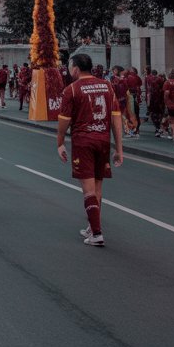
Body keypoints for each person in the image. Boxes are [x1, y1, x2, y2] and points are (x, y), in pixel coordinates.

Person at [56, 53, 123, 248]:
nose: (69, 70)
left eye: (70, 67)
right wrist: (119, 148)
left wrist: (60, 142)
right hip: (103, 141)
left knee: (88, 190)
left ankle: (97, 233)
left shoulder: (72, 89)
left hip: (83, 142)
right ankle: (92, 226)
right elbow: (116, 118)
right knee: (98, 188)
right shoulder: (107, 86)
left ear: (76, 69)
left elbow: (64, 120)